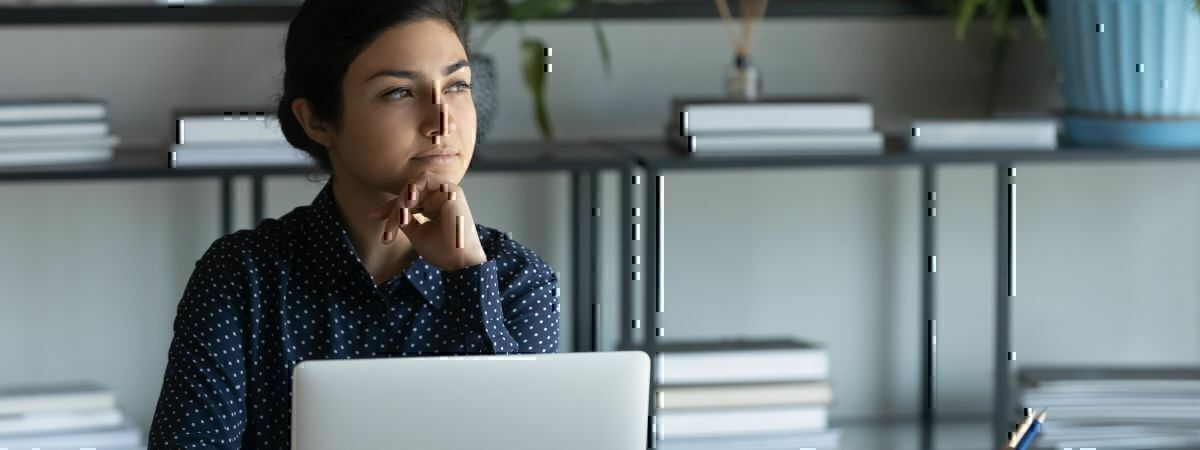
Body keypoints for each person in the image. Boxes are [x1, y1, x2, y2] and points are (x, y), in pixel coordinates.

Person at [146, 0, 561, 448]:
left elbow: (511, 434)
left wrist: (466, 274)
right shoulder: (241, 276)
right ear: (318, 120)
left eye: (458, 85)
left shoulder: (515, 280)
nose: (443, 121)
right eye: (399, 92)